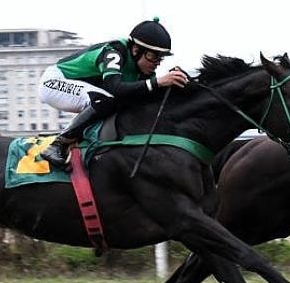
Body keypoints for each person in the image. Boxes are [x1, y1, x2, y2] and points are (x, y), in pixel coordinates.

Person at [37, 18, 190, 170]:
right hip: (54, 81)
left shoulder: (142, 71)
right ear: (136, 50)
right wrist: (157, 82)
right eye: (153, 56)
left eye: (160, 58)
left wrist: (179, 84)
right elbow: (114, 88)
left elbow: (148, 98)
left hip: (83, 89)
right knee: (105, 100)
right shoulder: (114, 52)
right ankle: (56, 145)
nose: (156, 62)